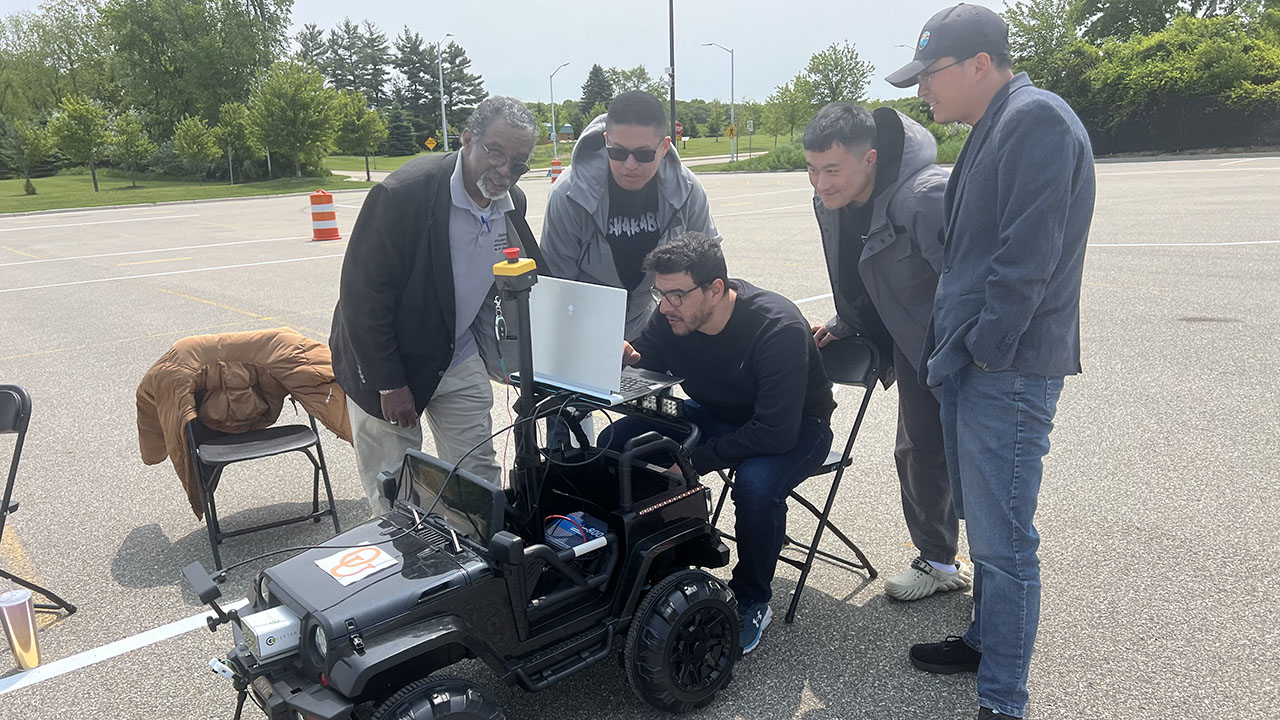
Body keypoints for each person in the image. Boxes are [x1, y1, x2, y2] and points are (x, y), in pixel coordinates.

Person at [885, 5, 1096, 719]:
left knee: (1005, 542)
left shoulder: (1037, 121)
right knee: (984, 522)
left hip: (1005, 368)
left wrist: (982, 352)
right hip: (972, 362)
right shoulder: (994, 122)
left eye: (931, 75)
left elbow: (1025, 263)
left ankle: (1003, 699)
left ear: (980, 64)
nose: (922, 91)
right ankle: (985, 638)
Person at [602, 232, 835, 655]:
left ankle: (752, 599)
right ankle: (644, 566)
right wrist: (623, 359)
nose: (665, 306)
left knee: (756, 487)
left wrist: (692, 461)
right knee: (617, 442)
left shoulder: (776, 326)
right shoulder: (673, 316)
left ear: (715, 289)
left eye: (676, 295)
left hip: (797, 426)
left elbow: (774, 432)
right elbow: (646, 363)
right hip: (715, 413)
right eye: (660, 294)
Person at [329, 96, 544, 516]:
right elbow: (363, 296)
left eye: (518, 164)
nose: (505, 171)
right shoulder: (402, 195)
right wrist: (389, 384)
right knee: (395, 487)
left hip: (454, 351)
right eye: (495, 152)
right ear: (468, 139)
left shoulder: (512, 203)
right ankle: (403, 552)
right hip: (386, 359)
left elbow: (532, 277)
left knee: (477, 477)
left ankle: (476, 555)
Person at [804, 102, 972, 602]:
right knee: (918, 453)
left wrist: (970, 358)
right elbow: (861, 274)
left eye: (832, 170)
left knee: (979, 465)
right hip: (910, 346)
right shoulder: (832, 203)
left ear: (870, 158)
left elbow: (971, 286)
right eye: (811, 169)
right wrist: (846, 323)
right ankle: (939, 562)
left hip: (959, 352)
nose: (821, 183)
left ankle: (1000, 591)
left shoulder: (926, 197)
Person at [541, 90, 721, 340]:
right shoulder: (569, 194)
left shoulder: (687, 190)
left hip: (654, 323)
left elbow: (709, 272)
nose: (630, 165)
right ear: (606, 141)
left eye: (643, 154)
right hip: (585, 328)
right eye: (618, 152)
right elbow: (557, 287)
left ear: (664, 147)